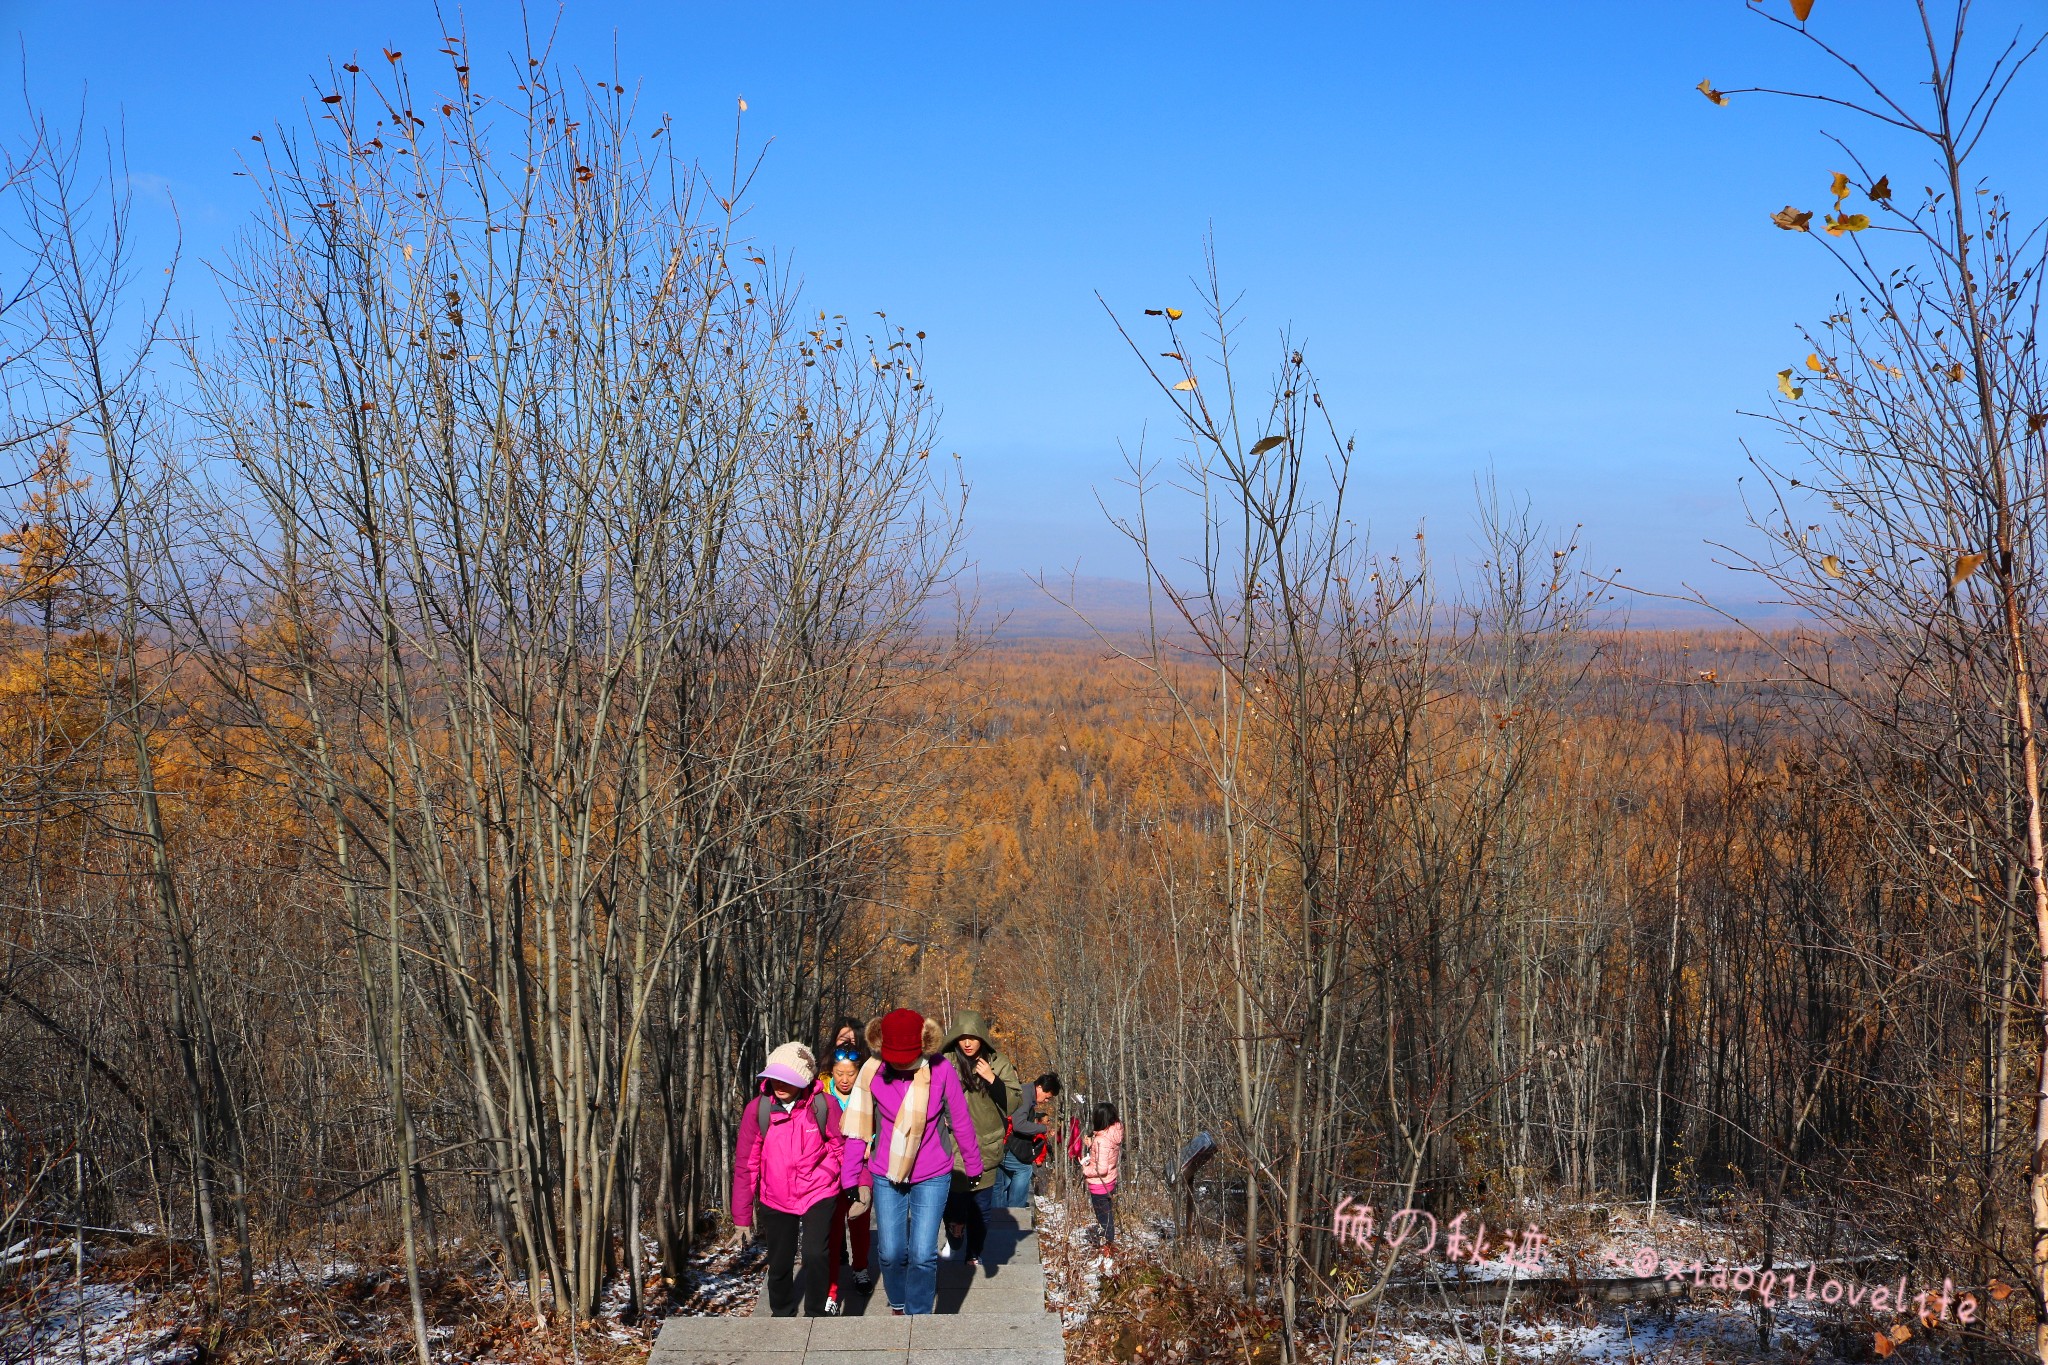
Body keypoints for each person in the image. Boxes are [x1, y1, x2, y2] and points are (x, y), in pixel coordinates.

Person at [840, 1008, 983, 1315]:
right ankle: (898, 1302)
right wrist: (850, 1177)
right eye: (895, 1053)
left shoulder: (941, 1069)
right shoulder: (872, 1071)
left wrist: (973, 1166)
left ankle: (917, 1317)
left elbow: (960, 1119)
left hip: (933, 1172)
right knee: (891, 1252)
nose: (902, 1061)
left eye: (908, 1054)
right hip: (885, 1171)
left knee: (922, 1252)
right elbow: (858, 1127)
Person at [732, 1042, 844, 1317]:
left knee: (815, 1253)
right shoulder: (758, 1110)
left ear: (804, 1080)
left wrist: (854, 1187)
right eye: (775, 1077)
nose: (779, 1085)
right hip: (776, 1194)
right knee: (780, 1261)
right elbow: (746, 1165)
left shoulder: (823, 1105)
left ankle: (817, 1311)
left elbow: (842, 1147)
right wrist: (742, 1217)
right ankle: (781, 1311)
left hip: (819, 1188)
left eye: (788, 1080)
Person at [938, 1008, 1019, 1265]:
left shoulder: (998, 1063)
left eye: (973, 1037)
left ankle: (974, 1254)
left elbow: (1014, 1103)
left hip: (986, 1147)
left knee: (982, 1209)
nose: (968, 1042)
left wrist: (992, 1079)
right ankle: (955, 1226)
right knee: (953, 1201)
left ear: (983, 1037)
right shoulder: (944, 1063)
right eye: (963, 1037)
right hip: (952, 1146)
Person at [821, 1046, 874, 1308]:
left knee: (859, 1222)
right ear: (831, 1073)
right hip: (830, 1173)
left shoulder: (867, 1095)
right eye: (839, 1074)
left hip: (860, 1170)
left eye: (850, 1074)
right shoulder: (821, 1097)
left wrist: (871, 1143)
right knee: (831, 1230)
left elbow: (878, 1124)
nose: (845, 1079)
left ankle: (860, 1268)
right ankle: (831, 1289)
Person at [999, 1072, 1061, 1209]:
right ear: (1039, 1088)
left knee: (1005, 1180)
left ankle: (1003, 1212)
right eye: (1047, 1097)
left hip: (1003, 1142)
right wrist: (1041, 1128)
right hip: (1004, 1144)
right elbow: (1019, 1124)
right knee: (1024, 1170)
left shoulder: (1025, 1091)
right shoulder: (1025, 1096)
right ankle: (1016, 1211)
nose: (1045, 1101)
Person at [1080, 1100, 1124, 1253]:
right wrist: (1092, 1145)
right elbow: (1106, 1154)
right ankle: (1108, 1243)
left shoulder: (1101, 1140)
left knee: (1104, 1218)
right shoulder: (1114, 1132)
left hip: (1099, 1184)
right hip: (1110, 1181)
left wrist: (1086, 1169)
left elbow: (1101, 1168)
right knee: (1107, 1215)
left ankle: (1108, 1247)